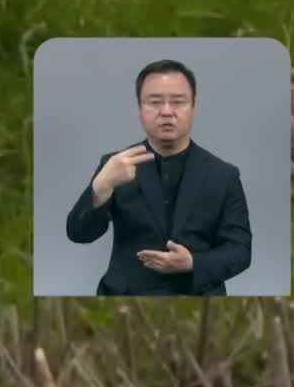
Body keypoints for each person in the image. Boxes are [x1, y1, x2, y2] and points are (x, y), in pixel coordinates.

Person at [64, 59, 253, 295]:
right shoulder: (115, 165)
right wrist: (102, 186)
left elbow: (240, 251)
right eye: (154, 102)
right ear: (140, 109)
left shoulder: (224, 175)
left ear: (193, 107)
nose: (166, 111)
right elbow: (79, 234)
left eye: (178, 102)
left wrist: (193, 263)